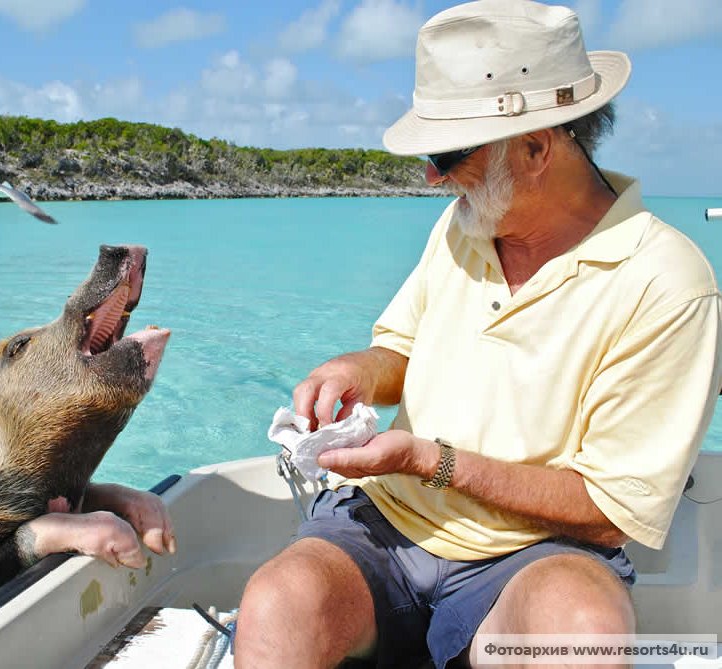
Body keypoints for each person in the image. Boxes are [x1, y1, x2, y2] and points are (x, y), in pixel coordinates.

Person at [234, 1, 722, 668]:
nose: (431, 176)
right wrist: (350, 371)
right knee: (275, 604)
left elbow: (611, 513)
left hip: (534, 554)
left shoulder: (669, 282)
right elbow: (396, 353)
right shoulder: (464, 224)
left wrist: (429, 460)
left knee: (582, 626)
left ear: (537, 147)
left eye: (447, 152)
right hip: (386, 526)